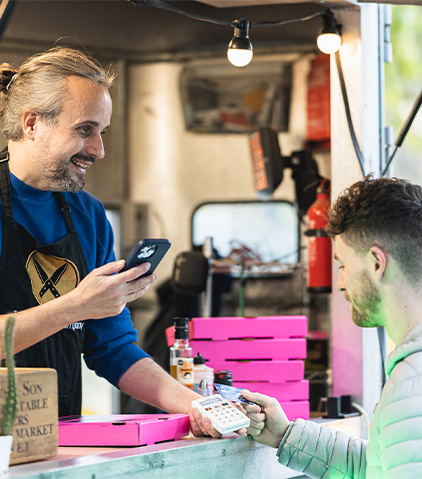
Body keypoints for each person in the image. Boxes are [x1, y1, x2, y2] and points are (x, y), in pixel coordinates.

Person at [0, 47, 210, 427]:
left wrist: (197, 406)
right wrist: (75, 306)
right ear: (32, 124)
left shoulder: (88, 215)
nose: (98, 149)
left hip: (56, 441)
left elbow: (113, 348)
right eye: (84, 130)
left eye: (102, 132)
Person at [240, 176, 422, 478]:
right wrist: (286, 435)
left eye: (342, 265)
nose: (339, 283)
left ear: (376, 263)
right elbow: (377, 466)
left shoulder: (411, 388)